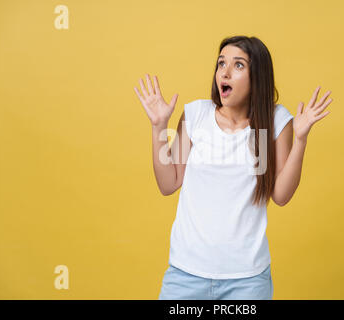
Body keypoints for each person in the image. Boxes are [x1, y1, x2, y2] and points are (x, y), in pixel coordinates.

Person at [134, 35, 332, 300]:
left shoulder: (274, 121)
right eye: (221, 63)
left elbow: (281, 196)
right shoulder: (197, 115)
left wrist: (300, 139)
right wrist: (159, 127)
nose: (225, 72)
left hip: (247, 281)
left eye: (238, 65)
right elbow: (168, 183)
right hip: (186, 274)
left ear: (257, 77)